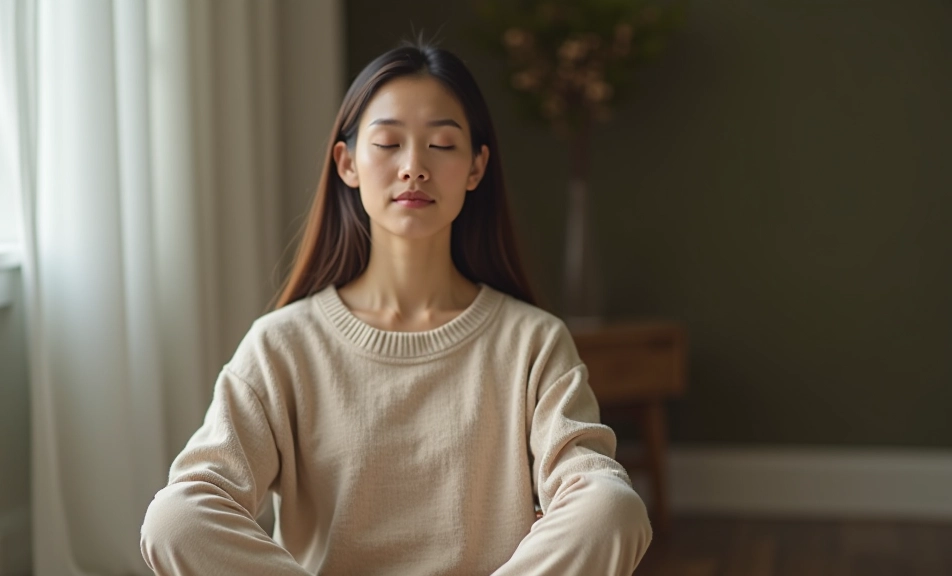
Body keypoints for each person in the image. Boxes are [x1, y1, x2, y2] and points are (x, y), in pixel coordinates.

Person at [140, 39, 652, 575]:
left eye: (442, 145)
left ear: (476, 168)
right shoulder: (281, 345)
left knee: (612, 507)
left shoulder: (534, 342)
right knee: (174, 517)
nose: (414, 167)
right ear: (347, 163)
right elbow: (191, 509)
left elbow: (595, 494)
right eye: (387, 143)